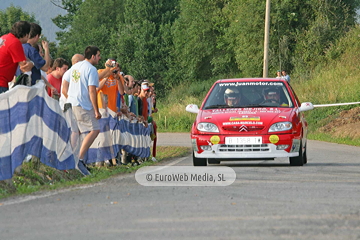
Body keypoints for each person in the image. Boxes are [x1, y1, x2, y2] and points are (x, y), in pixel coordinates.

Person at [62, 46, 102, 175]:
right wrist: (96, 110)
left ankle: (71, 160)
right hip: (82, 104)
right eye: (98, 55)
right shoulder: (91, 69)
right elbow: (92, 90)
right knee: (95, 129)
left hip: (71, 103)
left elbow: (65, 82)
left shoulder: (75, 67)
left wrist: (69, 96)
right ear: (93, 56)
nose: (99, 58)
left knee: (76, 132)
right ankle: (79, 159)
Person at [0, 21, 34, 93]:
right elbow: (24, 66)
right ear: (26, 34)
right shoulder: (15, 42)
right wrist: (31, 64)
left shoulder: (4, 37)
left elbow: (22, 58)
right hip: (1, 82)